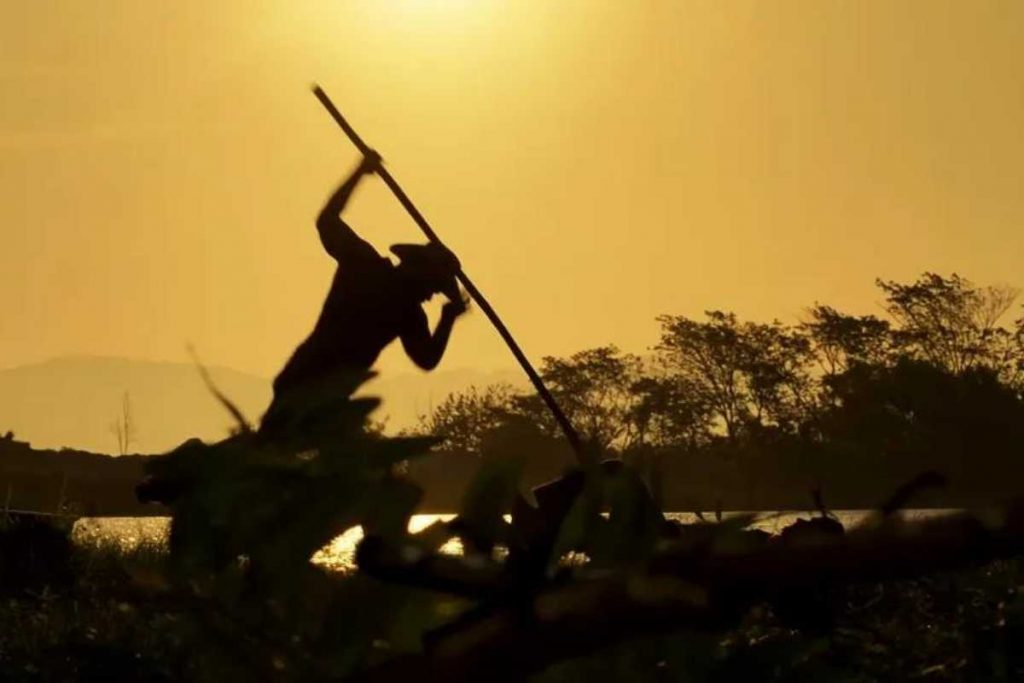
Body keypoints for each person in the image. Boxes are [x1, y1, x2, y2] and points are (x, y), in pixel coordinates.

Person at [260, 151, 468, 434]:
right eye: (433, 286)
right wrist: (447, 319)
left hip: (317, 388)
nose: (432, 296)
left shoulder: (372, 272)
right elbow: (427, 359)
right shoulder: (389, 292)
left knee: (273, 445)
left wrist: (360, 173)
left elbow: (327, 220)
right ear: (418, 271)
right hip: (314, 386)